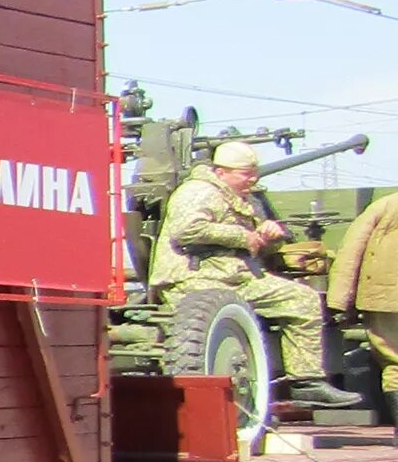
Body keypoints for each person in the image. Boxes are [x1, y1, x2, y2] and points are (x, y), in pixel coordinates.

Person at [151, 140, 361, 408]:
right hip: (195, 279)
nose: (252, 179)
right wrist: (243, 236)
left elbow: (259, 245)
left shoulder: (246, 199)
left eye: (254, 172)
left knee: (302, 300)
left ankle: (307, 382)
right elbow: (187, 230)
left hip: (237, 277)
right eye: (245, 173)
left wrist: (270, 234)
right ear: (221, 172)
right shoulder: (198, 192)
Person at [328, 187, 398, 377]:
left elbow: (351, 252)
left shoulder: (385, 206)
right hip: (387, 297)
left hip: (386, 298)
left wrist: (339, 303)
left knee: (394, 363)